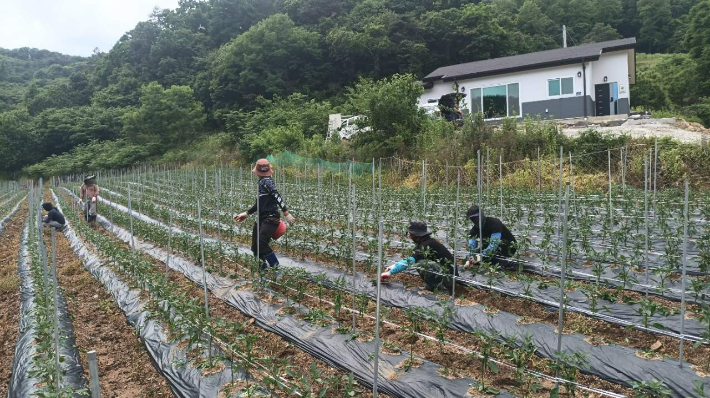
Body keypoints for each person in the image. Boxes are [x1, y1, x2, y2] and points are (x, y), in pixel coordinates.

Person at [234, 159, 295, 269]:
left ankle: (277, 269)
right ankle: (263, 271)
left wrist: (286, 212)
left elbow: (276, 195)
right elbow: (259, 204)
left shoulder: (266, 181)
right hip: (261, 218)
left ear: (257, 171)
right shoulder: (262, 182)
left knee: (261, 244)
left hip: (270, 218)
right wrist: (246, 213)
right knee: (255, 247)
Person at [380, 221, 456, 292]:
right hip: (447, 273)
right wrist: (394, 266)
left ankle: (437, 287)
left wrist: (390, 273)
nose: (410, 236)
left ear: (417, 235)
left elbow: (411, 260)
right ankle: (433, 285)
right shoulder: (426, 242)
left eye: (411, 234)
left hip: (449, 276)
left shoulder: (427, 244)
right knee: (420, 261)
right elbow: (413, 257)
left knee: (421, 263)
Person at [465, 205, 516, 269]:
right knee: (481, 250)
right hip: (493, 247)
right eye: (472, 218)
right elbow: (471, 247)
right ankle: (491, 260)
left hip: (508, 247)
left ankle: (505, 262)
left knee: (486, 245)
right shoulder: (474, 229)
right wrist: (469, 259)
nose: (474, 220)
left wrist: (479, 257)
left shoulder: (494, 223)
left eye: (476, 218)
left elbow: (494, 244)